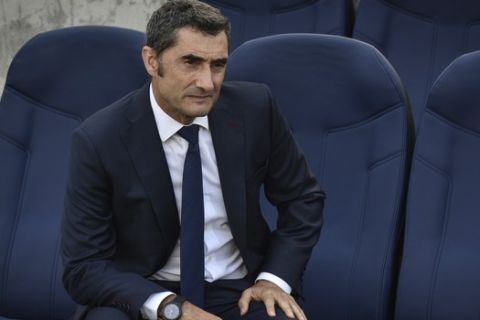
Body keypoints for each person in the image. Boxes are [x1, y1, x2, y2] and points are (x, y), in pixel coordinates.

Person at [61, 1, 325, 319]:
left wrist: (272, 281)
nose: (207, 82)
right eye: (191, 62)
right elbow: (84, 266)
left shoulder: (255, 109)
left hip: (241, 290)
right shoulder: (100, 139)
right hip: (149, 290)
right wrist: (170, 308)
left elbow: (303, 200)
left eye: (218, 65)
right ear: (151, 60)